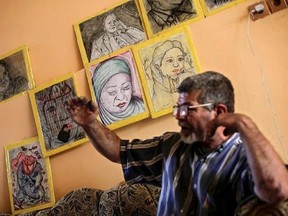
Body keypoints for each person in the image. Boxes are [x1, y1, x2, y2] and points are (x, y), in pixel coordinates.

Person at [67, 71, 288, 215]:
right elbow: (119, 151)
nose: (178, 116)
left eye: (186, 109)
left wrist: (244, 123)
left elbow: (278, 190)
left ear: (219, 112)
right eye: (177, 108)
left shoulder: (249, 158)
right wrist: (90, 123)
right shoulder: (172, 146)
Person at [92, 57, 145, 125]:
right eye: (112, 92)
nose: (121, 97)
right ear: (98, 95)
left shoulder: (142, 108)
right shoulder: (96, 122)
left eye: (126, 87)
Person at [150, 39, 195, 111]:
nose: (176, 64)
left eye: (180, 59)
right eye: (170, 60)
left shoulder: (189, 77)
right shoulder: (158, 94)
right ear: (158, 67)